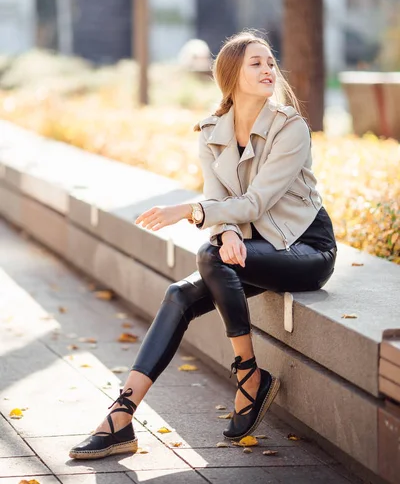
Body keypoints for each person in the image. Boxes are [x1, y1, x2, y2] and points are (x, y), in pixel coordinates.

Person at [69, 31, 337, 460]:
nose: (269, 69)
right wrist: (225, 229)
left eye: (271, 62)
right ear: (230, 74)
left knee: (211, 256)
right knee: (179, 293)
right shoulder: (212, 131)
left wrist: (192, 212)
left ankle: (248, 375)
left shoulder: (291, 127)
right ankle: (121, 415)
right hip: (251, 243)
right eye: (256, 63)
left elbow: (254, 202)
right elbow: (221, 201)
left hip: (304, 248)